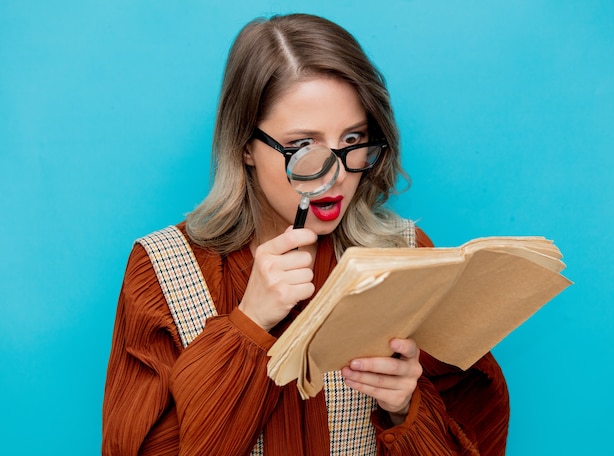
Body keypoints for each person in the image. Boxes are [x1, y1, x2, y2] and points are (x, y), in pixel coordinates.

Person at [102, 13, 509, 456]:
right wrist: (248, 325)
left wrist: (405, 407)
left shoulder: (406, 256)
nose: (333, 176)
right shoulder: (162, 269)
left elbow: (471, 435)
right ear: (244, 146)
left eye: (353, 138)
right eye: (302, 148)